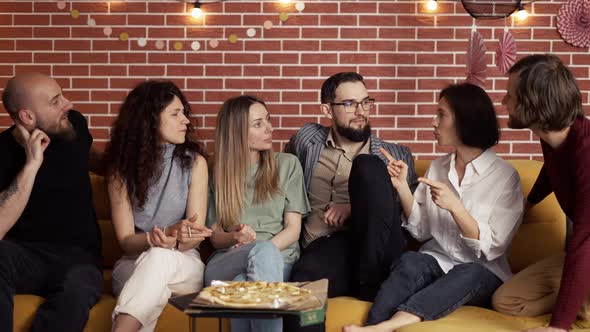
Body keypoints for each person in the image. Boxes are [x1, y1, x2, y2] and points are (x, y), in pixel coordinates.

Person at [344, 83, 524, 332]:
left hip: (482, 272)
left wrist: (456, 208)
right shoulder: (438, 168)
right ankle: (372, 327)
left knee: (469, 271)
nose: (433, 122)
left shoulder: (505, 176)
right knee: (410, 262)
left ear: (464, 120)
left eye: (441, 114)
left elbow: (493, 248)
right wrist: (402, 188)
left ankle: (387, 326)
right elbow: (421, 230)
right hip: (437, 262)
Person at [286, 72, 417, 301]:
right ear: (327, 110)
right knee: (304, 283)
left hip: (376, 249)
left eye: (365, 102)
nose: (361, 112)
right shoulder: (306, 141)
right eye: (349, 104)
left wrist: (354, 208)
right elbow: (281, 176)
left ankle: (373, 284)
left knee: (368, 166)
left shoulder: (396, 155)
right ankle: (365, 287)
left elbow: (413, 219)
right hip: (326, 249)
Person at [491, 54, 590, 332]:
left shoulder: (586, 150)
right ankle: (578, 299)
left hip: (587, 246)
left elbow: (584, 240)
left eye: (510, 95)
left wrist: (557, 326)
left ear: (534, 103)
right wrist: (530, 202)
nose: (503, 102)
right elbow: (553, 169)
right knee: (506, 299)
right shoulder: (555, 139)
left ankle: (574, 306)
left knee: (574, 308)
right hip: (584, 252)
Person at [103, 81, 211, 332]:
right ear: (149, 120)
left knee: (159, 260)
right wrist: (155, 239)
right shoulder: (120, 171)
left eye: (184, 112)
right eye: (175, 113)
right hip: (133, 264)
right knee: (154, 285)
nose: (185, 120)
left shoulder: (195, 163)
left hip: (184, 264)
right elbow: (127, 241)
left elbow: (193, 239)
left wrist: (180, 237)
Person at [0, 72, 103, 331]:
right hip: (24, 255)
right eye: (55, 101)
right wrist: (32, 164)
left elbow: (94, 159)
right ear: (27, 117)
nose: (67, 104)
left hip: (79, 258)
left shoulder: (74, 125)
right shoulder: (1, 152)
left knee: (76, 291)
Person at [204, 95, 310, 332]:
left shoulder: (288, 164)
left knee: (243, 286)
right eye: (258, 124)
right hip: (227, 261)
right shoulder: (215, 171)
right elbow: (214, 237)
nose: (270, 128)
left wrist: (263, 251)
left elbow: (293, 230)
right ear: (237, 132)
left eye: (268, 120)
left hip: (279, 262)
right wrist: (235, 238)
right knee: (256, 259)